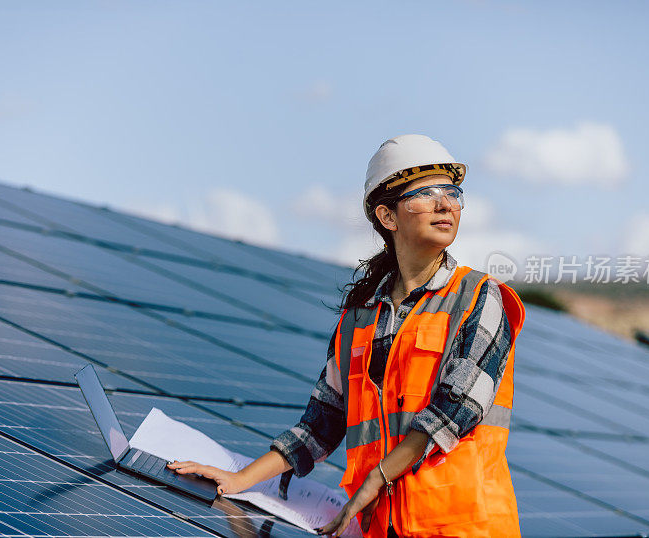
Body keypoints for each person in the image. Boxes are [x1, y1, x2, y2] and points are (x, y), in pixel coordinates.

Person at [167, 134, 526, 538]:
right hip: (379, 528)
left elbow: (455, 410)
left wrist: (376, 478)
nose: (446, 204)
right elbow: (321, 424)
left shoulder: (480, 297)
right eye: (427, 193)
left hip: (464, 528)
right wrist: (238, 478)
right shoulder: (359, 319)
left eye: (453, 192)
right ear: (388, 216)